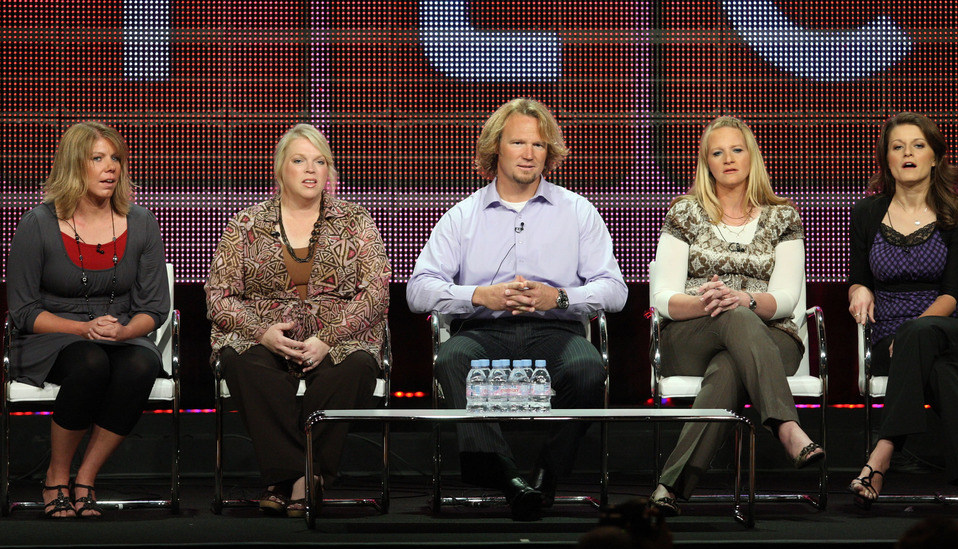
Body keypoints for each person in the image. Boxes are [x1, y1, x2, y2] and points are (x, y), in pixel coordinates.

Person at [406, 98, 628, 521]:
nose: (529, 153)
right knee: (451, 359)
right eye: (518, 143)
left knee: (587, 368)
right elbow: (418, 291)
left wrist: (559, 298)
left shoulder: (577, 211)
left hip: (556, 333)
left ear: (550, 154)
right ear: (496, 148)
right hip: (482, 332)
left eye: (539, 145)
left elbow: (614, 290)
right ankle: (509, 479)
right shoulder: (463, 216)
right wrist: (479, 295)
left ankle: (546, 473)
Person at [206, 123, 391, 517]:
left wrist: (328, 336)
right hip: (265, 335)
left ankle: (288, 480)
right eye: (300, 160)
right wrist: (262, 333)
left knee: (351, 368)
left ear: (329, 173)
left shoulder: (355, 221)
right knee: (246, 364)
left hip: (341, 336)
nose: (311, 169)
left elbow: (376, 291)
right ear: (280, 170)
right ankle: (302, 476)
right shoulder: (246, 224)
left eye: (320, 161)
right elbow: (218, 296)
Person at [647, 116, 824, 516]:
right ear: (706, 163)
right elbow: (662, 298)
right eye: (717, 152)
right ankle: (786, 426)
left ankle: (670, 486)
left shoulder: (784, 217)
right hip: (693, 332)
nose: (728, 159)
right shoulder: (684, 213)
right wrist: (711, 302)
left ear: (752, 156)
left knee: (729, 363)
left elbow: (786, 299)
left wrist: (743, 298)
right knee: (734, 315)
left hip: (772, 339)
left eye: (737, 150)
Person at [6, 122, 170, 518]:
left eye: (115, 158)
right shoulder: (37, 224)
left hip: (119, 334)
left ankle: (86, 479)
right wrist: (82, 329)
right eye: (98, 158)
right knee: (90, 363)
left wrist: (128, 330)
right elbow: (23, 310)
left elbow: (154, 306)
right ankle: (56, 477)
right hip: (52, 334)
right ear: (74, 165)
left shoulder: (141, 222)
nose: (110, 168)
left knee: (142, 363)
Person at [848, 112, 958, 508]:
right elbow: (859, 276)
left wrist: (914, 331)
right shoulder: (866, 214)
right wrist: (859, 290)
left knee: (920, 339)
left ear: (935, 156)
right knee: (934, 368)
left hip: (953, 331)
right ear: (887, 159)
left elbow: (951, 293)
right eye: (897, 147)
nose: (907, 153)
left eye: (917, 145)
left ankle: (881, 455)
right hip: (888, 339)